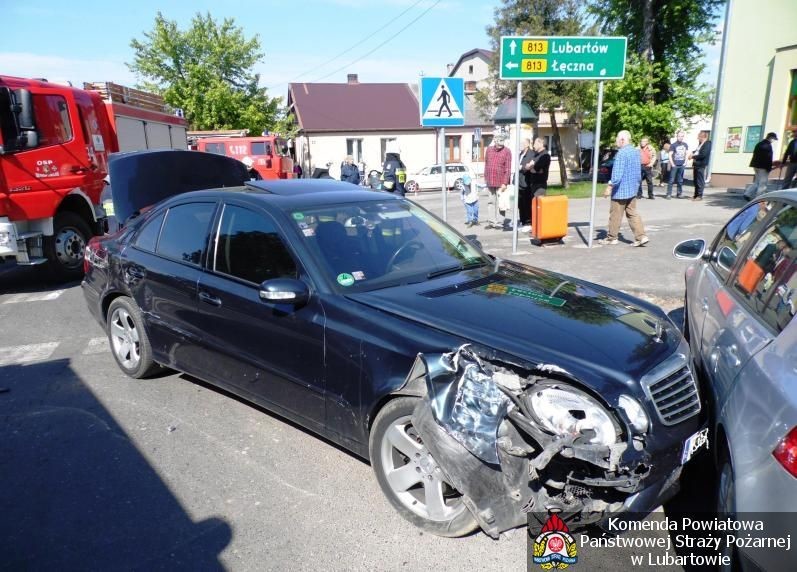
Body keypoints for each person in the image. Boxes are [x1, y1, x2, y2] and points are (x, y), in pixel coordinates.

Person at [598, 130, 649, 247]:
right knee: (632, 213)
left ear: (622, 140)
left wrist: (609, 187)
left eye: (616, 139)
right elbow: (638, 171)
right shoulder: (635, 152)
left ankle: (612, 238)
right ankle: (641, 236)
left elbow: (617, 174)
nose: (616, 141)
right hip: (632, 189)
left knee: (615, 214)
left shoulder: (621, 154)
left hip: (620, 191)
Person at [484, 134, 512, 227]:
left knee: (501, 203)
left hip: (501, 182)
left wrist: (505, 182)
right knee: (491, 202)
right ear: (495, 141)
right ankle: (492, 222)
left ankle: (500, 222)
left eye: (502, 143)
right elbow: (486, 163)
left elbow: (508, 168)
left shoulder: (507, 151)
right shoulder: (489, 150)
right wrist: (485, 177)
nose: (500, 146)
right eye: (498, 143)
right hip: (490, 180)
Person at [525, 138, 551, 232]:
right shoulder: (536, 155)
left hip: (540, 184)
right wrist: (532, 167)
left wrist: (532, 167)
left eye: (535, 143)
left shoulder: (545, 155)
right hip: (534, 183)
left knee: (539, 206)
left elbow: (536, 168)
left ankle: (540, 228)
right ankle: (535, 227)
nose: (533, 145)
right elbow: (527, 166)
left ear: (541, 143)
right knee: (534, 206)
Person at [750, 131, 779, 197]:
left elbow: (756, 155)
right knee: (763, 183)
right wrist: (769, 167)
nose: (774, 140)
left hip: (756, 165)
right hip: (763, 167)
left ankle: (747, 194)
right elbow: (768, 157)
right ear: (771, 138)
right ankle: (759, 197)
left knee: (757, 181)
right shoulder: (767, 146)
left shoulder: (759, 144)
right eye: (774, 139)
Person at [516, 139, 534, 229]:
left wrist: (522, 167)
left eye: (522, 143)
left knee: (527, 203)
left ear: (527, 145)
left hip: (526, 182)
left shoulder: (531, 154)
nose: (520, 145)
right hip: (519, 182)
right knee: (520, 204)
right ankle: (522, 221)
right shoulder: (520, 154)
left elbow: (530, 167)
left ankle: (528, 222)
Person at [690, 130, 712, 201]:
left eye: (698, 137)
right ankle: (695, 195)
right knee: (695, 180)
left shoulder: (707, 144)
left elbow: (703, 154)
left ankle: (699, 196)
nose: (698, 139)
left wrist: (693, 156)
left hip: (701, 164)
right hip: (696, 164)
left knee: (700, 181)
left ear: (702, 137)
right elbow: (697, 151)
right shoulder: (700, 144)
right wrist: (692, 153)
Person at [667, 130, 688, 199]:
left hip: (682, 165)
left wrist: (685, 162)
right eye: (679, 136)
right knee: (671, 180)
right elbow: (670, 155)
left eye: (682, 136)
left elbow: (686, 154)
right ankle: (669, 194)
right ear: (677, 136)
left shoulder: (685, 145)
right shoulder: (673, 145)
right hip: (675, 165)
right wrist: (672, 164)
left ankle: (679, 193)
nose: (680, 137)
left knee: (680, 180)